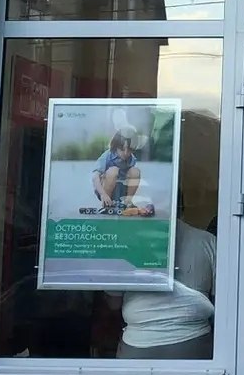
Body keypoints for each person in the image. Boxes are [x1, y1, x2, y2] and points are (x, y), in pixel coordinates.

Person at [119, 217, 217, 360]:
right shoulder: (206, 241)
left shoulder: (129, 240)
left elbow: (113, 301)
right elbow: (222, 299)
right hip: (194, 341)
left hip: (137, 342)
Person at [90, 124, 142, 213]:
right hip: (105, 190)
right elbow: (95, 177)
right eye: (122, 149)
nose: (126, 153)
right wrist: (103, 194)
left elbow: (132, 178)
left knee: (135, 171)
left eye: (129, 150)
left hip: (121, 191)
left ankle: (127, 202)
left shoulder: (131, 159)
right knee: (113, 170)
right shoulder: (107, 156)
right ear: (116, 146)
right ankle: (107, 203)